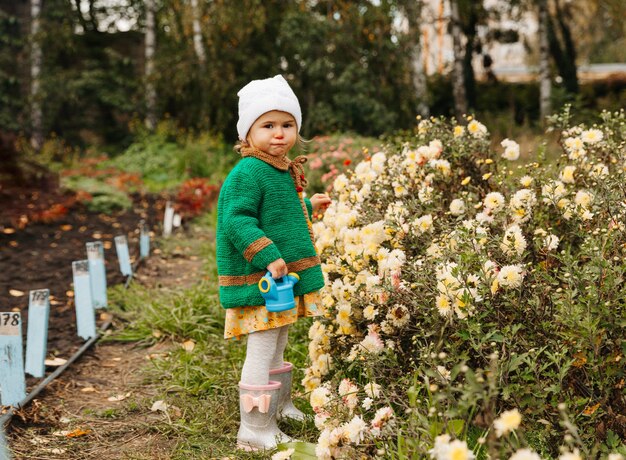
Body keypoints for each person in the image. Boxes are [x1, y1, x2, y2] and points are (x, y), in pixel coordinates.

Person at [216, 75, 331, 451]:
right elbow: (237, 220)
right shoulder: (248, 172)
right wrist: (268, 254)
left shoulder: (280, 168)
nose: (279, 133)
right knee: (263, 346)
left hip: (281, 279)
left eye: (287, 124)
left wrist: (309, 207)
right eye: (268, 125)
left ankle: (279, 407)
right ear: (248, 133)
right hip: (260, 277)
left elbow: (280, 215)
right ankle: (253, 426)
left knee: (279, 339)